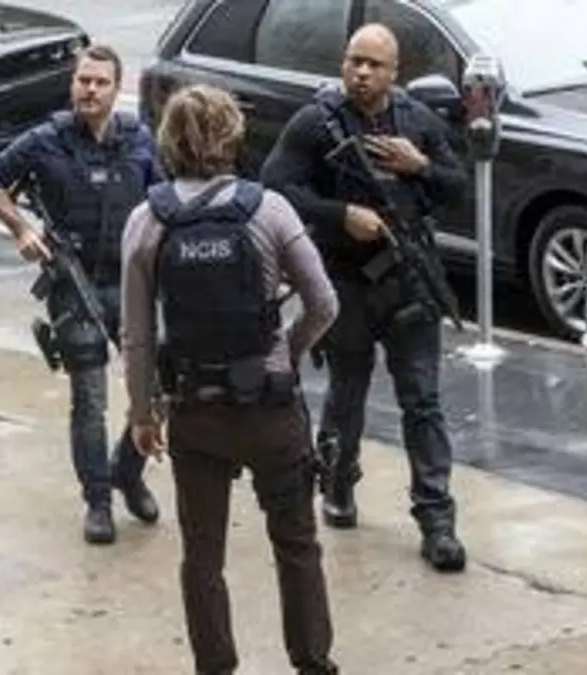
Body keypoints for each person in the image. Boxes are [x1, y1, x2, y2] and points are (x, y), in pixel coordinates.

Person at [122, 84, 341, 675]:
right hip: (271, 408)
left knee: (202, 556)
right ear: (231, 136)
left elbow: (137, 334)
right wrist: (287, 350)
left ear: (168, 140)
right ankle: (313, 662)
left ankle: (216, 666)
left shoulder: (147, 221)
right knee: (296, 545)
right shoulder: (270, 210)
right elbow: (324, 304)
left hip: (195, 411)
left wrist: (142, 412)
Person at [260, 23, 470, 573]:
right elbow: (276, 185)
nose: (361, 72)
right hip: (346, 280)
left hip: (409, 281)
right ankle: (337, 485)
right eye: (354, 60)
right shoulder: (317, 122)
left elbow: (457, 185)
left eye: (374, 64)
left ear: (395, 72)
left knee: (422, 401)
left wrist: (419, 166)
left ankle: (437, 519)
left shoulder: (417, 122)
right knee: (346, 392)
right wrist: (340, 215)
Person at [0, 44, 163, 545]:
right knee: (90, 398)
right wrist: (19, 228)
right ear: (72, 84)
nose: (90, 90)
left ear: (117, 88)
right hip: (73, 284)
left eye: (100, 82)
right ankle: (98, 500)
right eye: (83, 80)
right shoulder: (45, 141)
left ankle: (127, 472)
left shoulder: (140, 140)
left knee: (156, 391)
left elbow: (164, 200)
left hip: (131, 283)